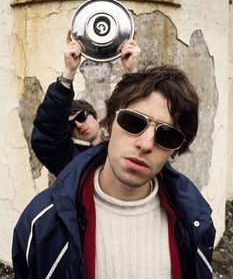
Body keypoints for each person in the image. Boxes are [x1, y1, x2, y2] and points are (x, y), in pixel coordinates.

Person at [12, 65, 216, 279]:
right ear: (110, 123)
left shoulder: (195, 223)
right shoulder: (42, 222)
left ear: (175, 151)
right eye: (133, 122)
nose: (146, 144)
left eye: (167, 136)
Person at [31, 30, 141, 176]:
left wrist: (132, 71)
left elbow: (143, 122)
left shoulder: (127, 145)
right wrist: (69, 71)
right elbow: (47, 133)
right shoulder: (70, 161)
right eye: (71, 125)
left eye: (81, 116)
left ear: (97, 118)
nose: (78, 125)